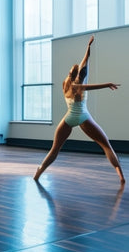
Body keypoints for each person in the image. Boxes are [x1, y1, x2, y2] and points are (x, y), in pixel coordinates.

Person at [34, 36, 125, 184]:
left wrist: (88, 49)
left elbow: (84, 62)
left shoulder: (65, 84)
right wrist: (107, 83)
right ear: (79, 75)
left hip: (69, 117)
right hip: (83, 117)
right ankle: (121, 176)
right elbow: (88, 78)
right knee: (106, 144)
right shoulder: (77, 85)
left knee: (55, 149)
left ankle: (38, 172)